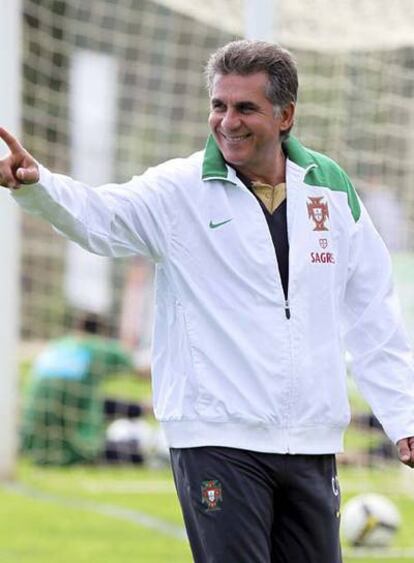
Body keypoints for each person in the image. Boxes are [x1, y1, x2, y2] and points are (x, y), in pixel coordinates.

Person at [1, 39, 414, 562]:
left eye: (246, 108)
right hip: (216, 438)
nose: (227, 122)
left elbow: (372, 311)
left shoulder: (330, 188)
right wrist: (37, 186)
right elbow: (102, 218)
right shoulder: (179, 188)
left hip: (311, 439)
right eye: (219, 105)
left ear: (286, 116)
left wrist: (404, 418)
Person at [20, 312, 152, 466]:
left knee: (90, 398)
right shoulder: (99, 348)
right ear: (103, 333)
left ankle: (143, 411)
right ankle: (148, 419)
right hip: (70, 444)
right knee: (134, 453)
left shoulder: (57, 346)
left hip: (33, 441)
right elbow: (142, 370)